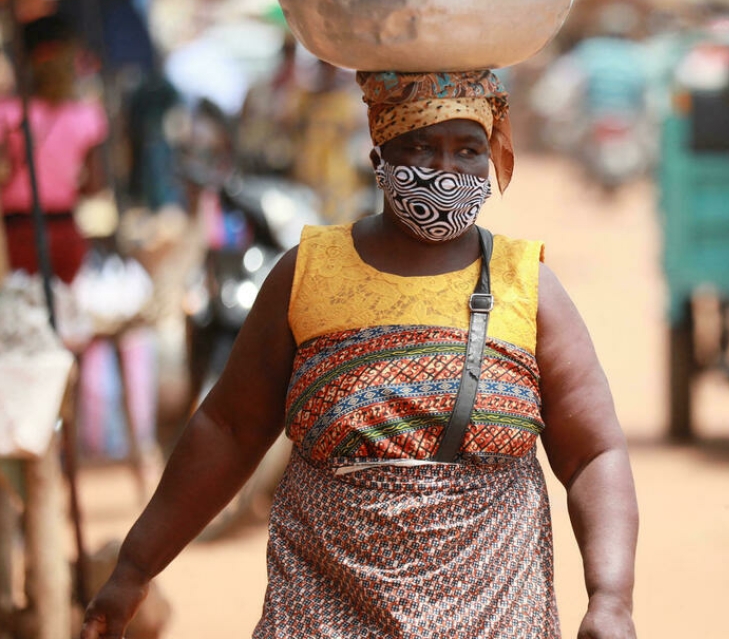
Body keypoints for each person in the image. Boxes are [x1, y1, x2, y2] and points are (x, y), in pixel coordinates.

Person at [80, 69, 639, 638]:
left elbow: (593, 453)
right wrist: (134, 568)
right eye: (420, 146)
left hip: (493, 612)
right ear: (380, 154)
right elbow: (229, 429)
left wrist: (611, 598)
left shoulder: (528, 286)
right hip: (324, 608)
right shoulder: (308, 274)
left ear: (490, 160)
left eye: (468, 150)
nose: (444, 172)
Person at [0, 14, 108, 284]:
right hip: (65, 230)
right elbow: (95, 184)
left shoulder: (8, 113)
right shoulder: (87, 116)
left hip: (17, 232)